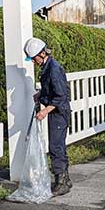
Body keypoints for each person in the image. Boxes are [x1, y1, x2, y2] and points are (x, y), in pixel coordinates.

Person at [23, 37, 72, 196]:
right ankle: (65, 178)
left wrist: (45, 111)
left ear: (42, 53)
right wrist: (41, 94)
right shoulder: (48, 67)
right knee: (59, 146)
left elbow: (61, 96)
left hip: (59, 113)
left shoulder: (54, 68)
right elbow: (51, 89)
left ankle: (61, 182)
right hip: (57, 112)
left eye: (34, 58)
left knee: (55, 147)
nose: (33, 61)